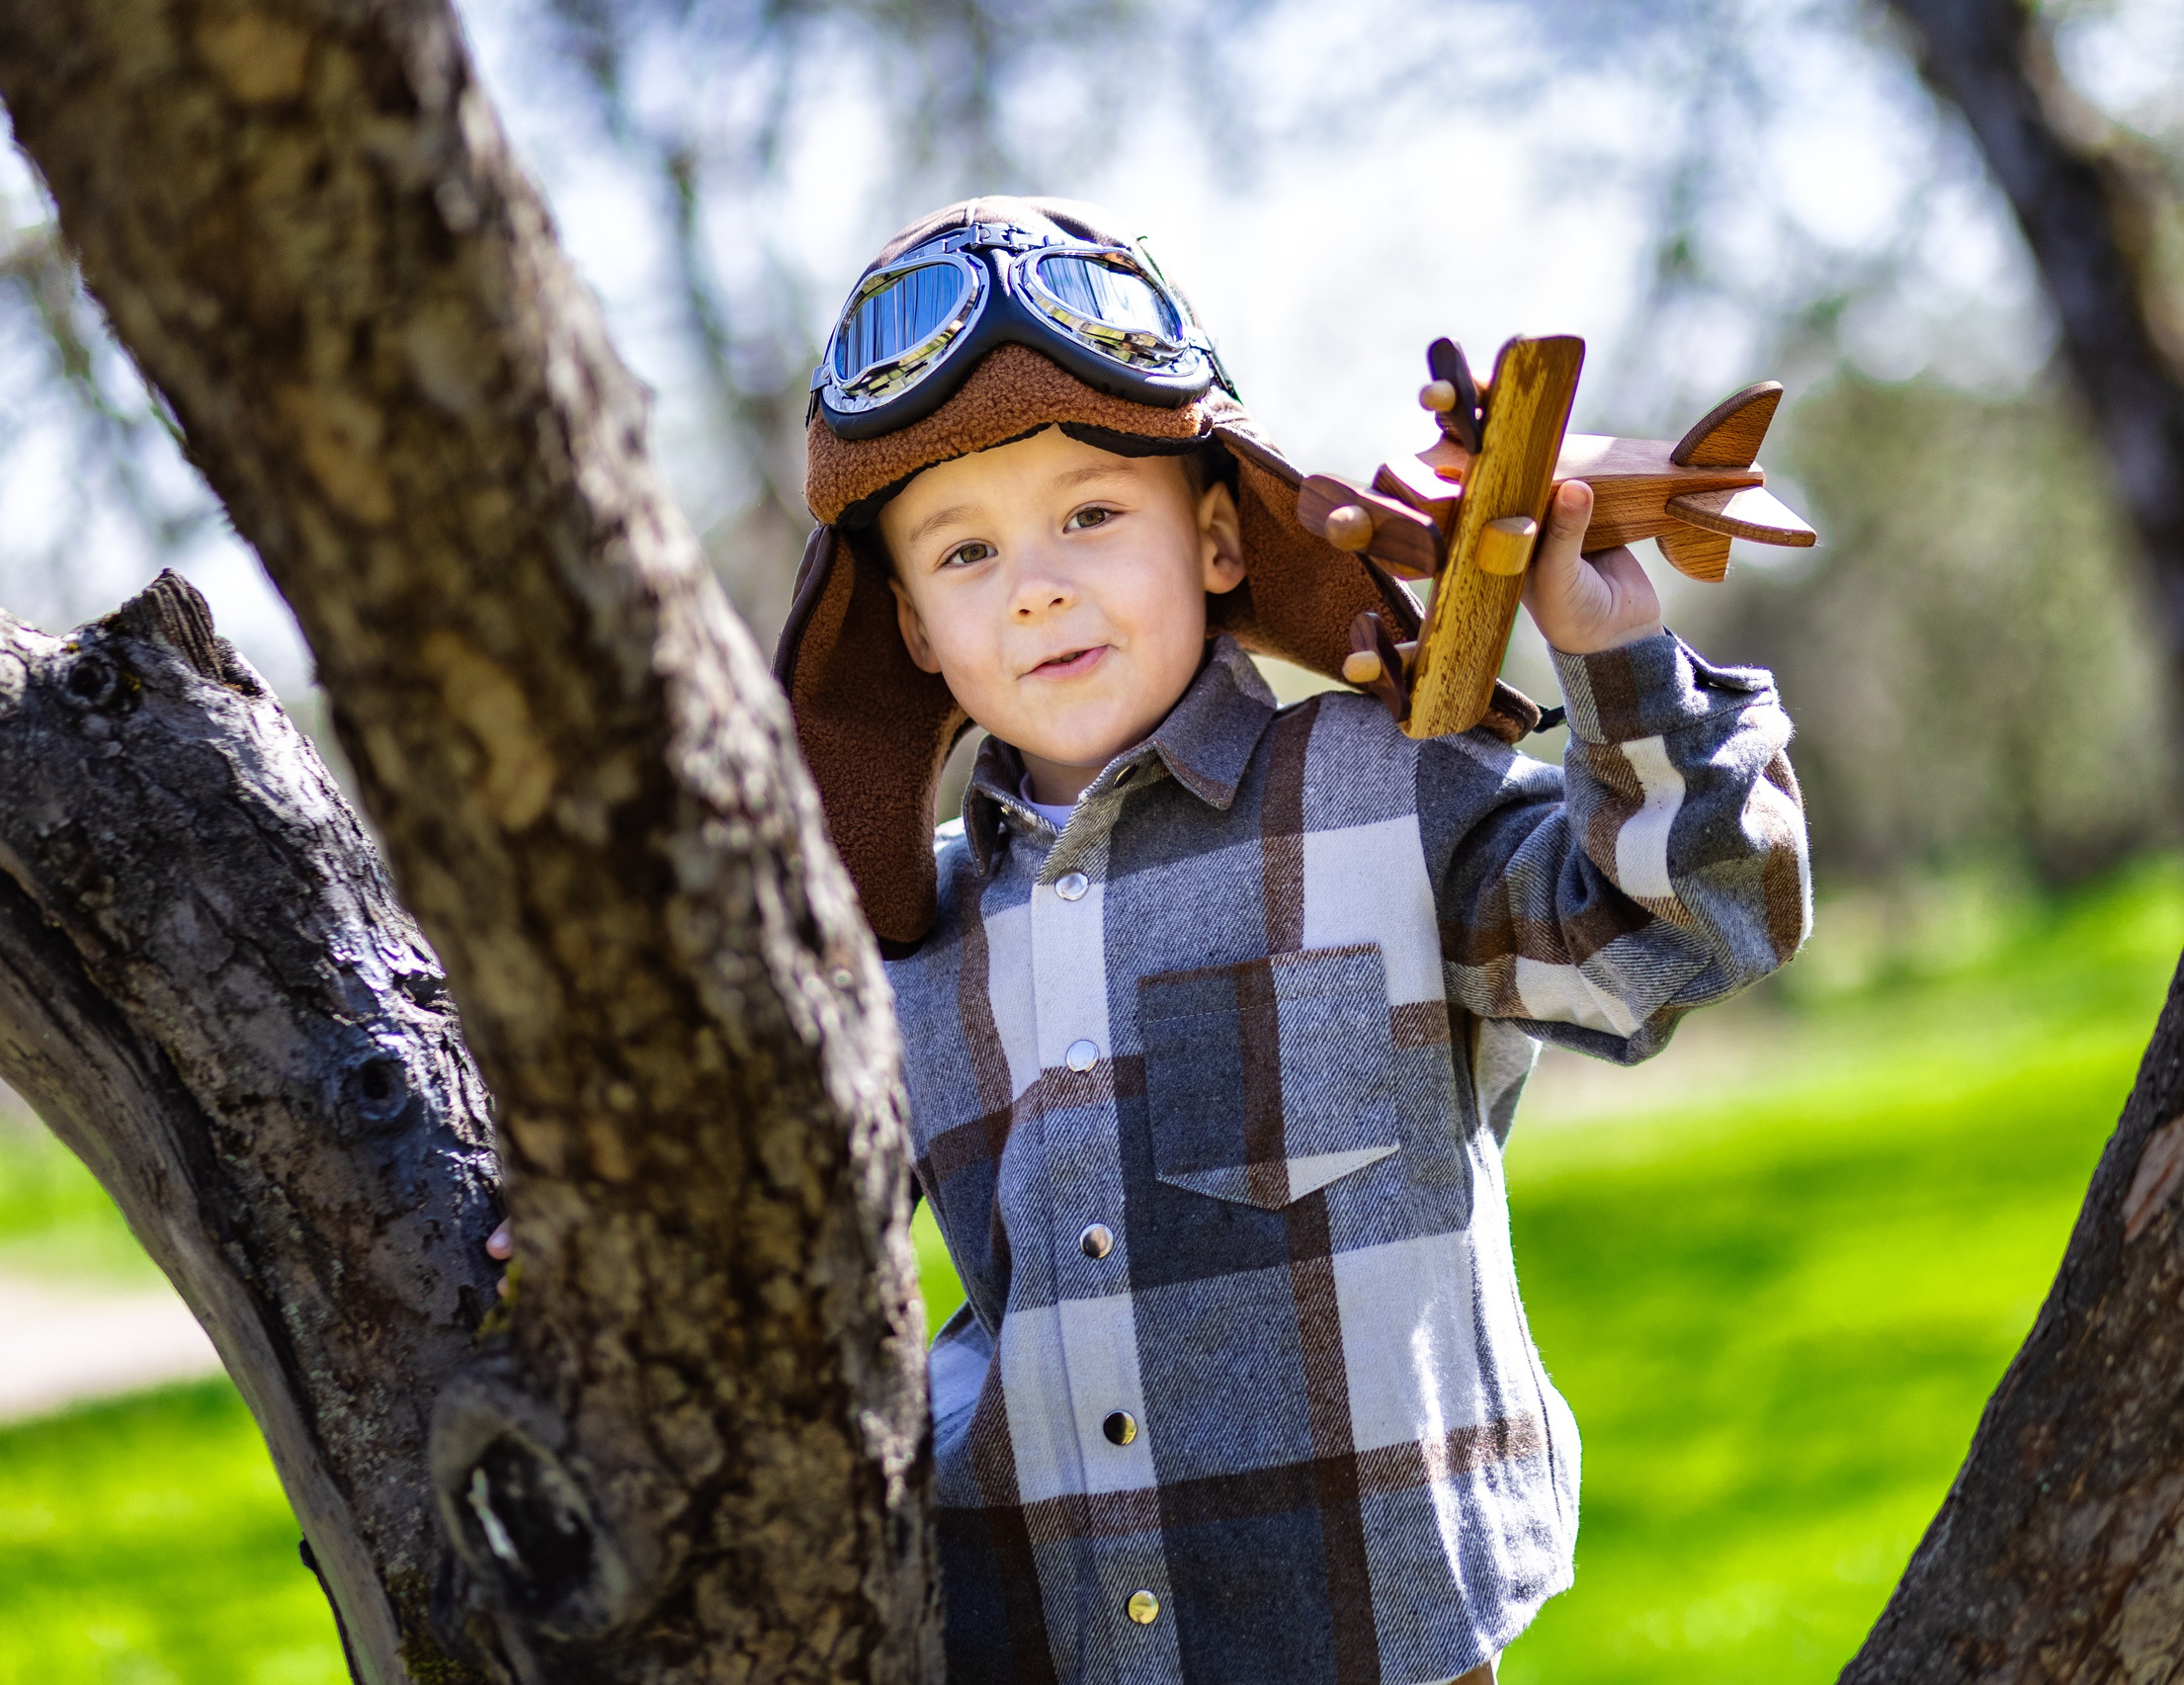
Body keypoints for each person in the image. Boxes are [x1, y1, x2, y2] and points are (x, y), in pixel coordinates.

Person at [510, 193, 1810, 1684]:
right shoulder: (886, 948)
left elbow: (1693, 927)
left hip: (1372, 1632)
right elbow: (732, 1191)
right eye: (965, 554)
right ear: (913, 630)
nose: (1040, 584)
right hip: (1020, 1634)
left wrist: (1616, 657)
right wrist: (577, 1201)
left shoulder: (1385, 796)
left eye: (1087, 516)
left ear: (1209, 536)